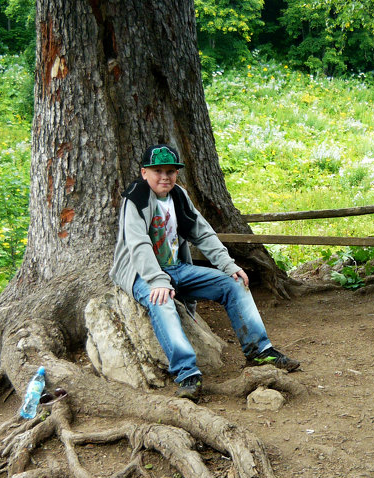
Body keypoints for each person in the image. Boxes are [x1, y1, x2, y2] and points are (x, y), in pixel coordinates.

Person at [110, 143, 299, 401]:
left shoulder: (178, 195)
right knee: (161, 300)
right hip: (141, 274)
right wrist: (157, 280)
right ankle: (188, 374)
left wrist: (228, 265)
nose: (165, 176)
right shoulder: (136, 198)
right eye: (158, 171)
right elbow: (139, 243)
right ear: (144, 173)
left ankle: (260, 350)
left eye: (170, 171)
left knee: (233, 284)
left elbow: (202, 232)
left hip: (177, 268)